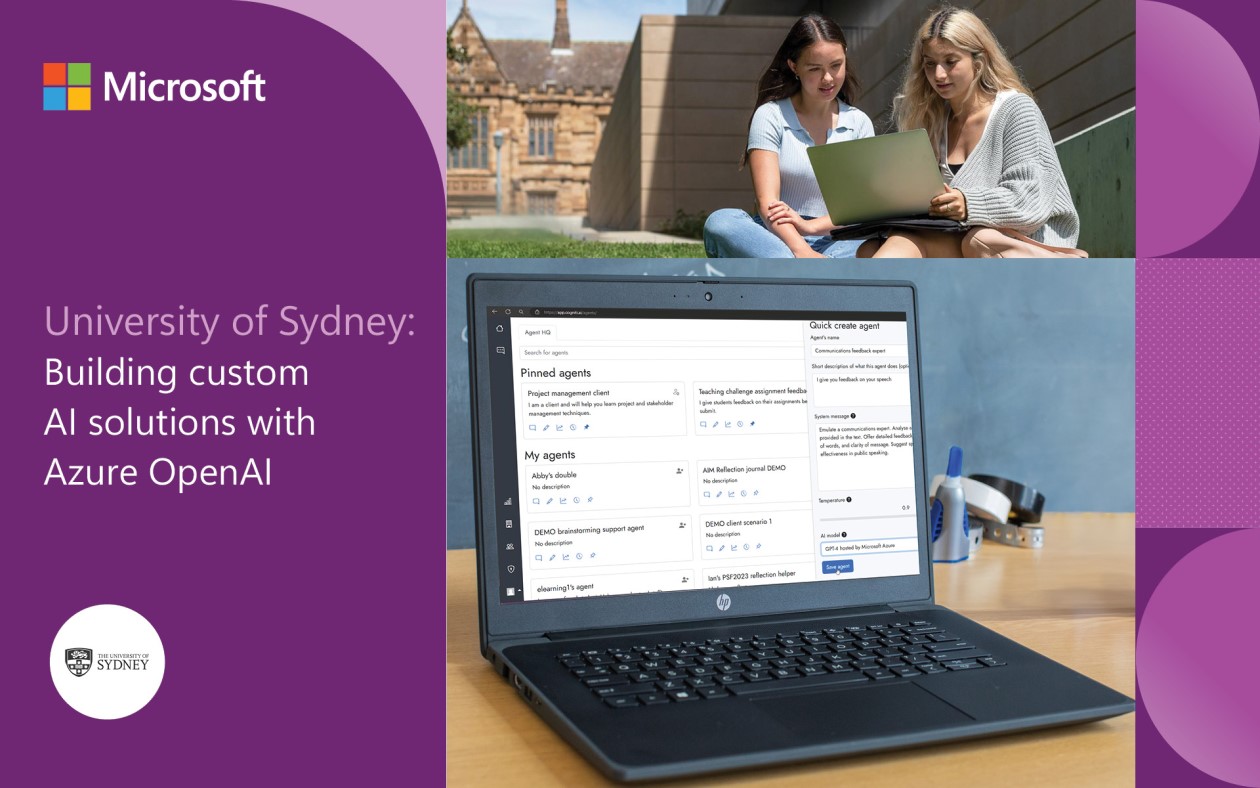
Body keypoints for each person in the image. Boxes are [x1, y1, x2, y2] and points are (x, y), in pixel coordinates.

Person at [858, 5, 1085, 258]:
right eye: (930, 64)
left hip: (1027, 243)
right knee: (870, 249)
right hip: (962, 240)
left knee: (977, 240)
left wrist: (967, 203)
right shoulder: (934, 122)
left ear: (978, 62)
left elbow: (1030, 202)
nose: (938, 74)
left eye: (950, 62)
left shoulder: (1016, 109)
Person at [704, 14, 873, 259]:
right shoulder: (771, 115)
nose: (828, 78)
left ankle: (795, 274)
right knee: (721, 222)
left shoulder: (859, 123)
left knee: (881, 241)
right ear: (794, 66)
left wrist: (813, 229)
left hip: (838, 238)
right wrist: (802, 250)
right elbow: (768, 204)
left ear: (845, 55)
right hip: (778, 238)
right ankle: (810, 272)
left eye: (836, 65)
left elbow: (859, 209)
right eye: (815, 68)